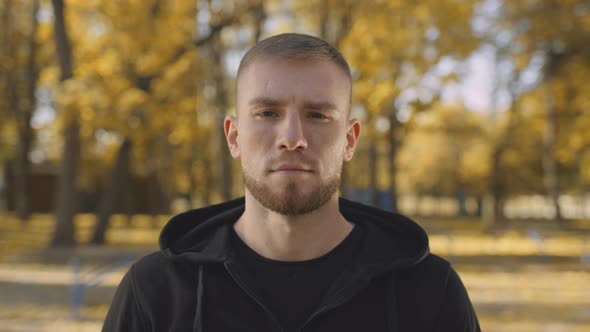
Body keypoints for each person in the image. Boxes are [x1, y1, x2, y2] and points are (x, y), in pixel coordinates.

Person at [103, 33, 480, 332]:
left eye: (317, 115)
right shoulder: (155, 291)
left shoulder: (430, 292)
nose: (292, 137)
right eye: (267, 113)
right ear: (233, 136)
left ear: (349, 140)